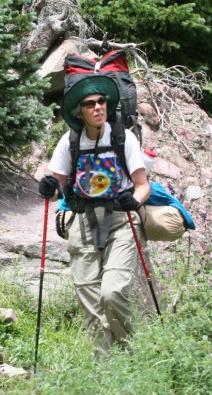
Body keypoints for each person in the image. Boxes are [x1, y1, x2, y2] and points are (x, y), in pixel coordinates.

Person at [38, 74, 150, 359]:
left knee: (111, 293)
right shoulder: (69, 141)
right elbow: (57, 191)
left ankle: (131, 354)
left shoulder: (124, 137)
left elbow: (142, 187)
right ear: (80, 112)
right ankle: (104, 371)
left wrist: (133, 201)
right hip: (84, 221)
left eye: (102, 101)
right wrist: (48, 189)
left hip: (121, 220)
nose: (98, 107)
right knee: (90, 303)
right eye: (90, 104)